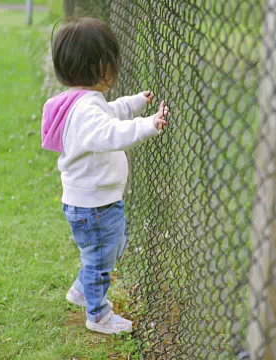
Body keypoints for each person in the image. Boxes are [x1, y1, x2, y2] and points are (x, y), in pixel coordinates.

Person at [40, 17, 169, 335]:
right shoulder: (85, 112)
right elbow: (112, 132)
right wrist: (148, 124)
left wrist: (137, 102)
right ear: (103, 67)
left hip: (97, 202)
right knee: (101, 260)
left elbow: (111, 111)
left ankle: (83, 289)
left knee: (110, 249)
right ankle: (97, 315)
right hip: (94, 207)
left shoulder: (84, 103)